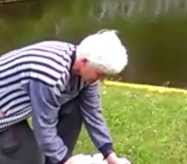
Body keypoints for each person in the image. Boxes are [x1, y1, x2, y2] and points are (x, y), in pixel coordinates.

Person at [0, 29, 130, 164]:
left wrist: (109, 154)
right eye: (100, 74)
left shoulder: (83, 68)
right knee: (32, 159)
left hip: (15, 108)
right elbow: (44, 125)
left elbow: (93, 113)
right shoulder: (50, 74)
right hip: (3, 115)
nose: (101, 80)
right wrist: (65, 160)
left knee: (74, 106)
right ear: (84, 62)